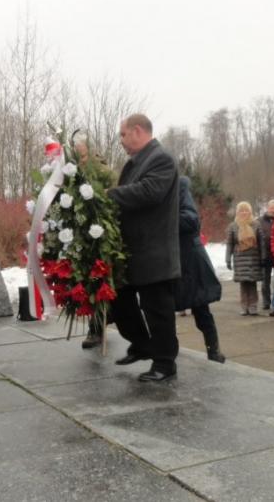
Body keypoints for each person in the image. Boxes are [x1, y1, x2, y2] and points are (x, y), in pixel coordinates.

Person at [108, 114, 181, 382]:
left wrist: (107, 195)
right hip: (134, 251)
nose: (121, 141)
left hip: (154, 251)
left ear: (137, 131)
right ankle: (141, 345)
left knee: (157, 311)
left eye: (123, 134)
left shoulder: (162, 158)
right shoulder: (136, 162)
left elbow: (150, 191)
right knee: (120, 300)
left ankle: (165, 363)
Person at [73, 133, 118, 349]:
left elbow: (117, 198)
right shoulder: (74, 173)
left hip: (103, 233)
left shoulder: (105, 172)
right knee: (86, 278)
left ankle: (97, 327)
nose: (81, 160)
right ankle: (99, 322)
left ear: (92, 152)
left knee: (100, 278)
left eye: (83, 155)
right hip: (81, 233)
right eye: (77, 156)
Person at [175, 176, 226, 363]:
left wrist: (164, 218)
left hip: (191, 261)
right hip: (172, 260)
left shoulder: (181, 191)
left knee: (200, 307)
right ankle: (169, 349)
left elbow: (190, 220)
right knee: (165, 309)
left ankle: (214, 350)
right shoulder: (161, 192)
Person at [225, 202, 266, 316]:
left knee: (252, 284)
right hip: (239, 259)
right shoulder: (233, 226)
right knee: (243, 284)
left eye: (246, 210)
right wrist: (228, 259)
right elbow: (229, 243)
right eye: (241, 211)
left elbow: (262, 242)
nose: (244, 213)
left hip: (253, 258)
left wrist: (263, 257)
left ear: (250, 212)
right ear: (238, 213)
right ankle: (244, 307)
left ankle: (253, 306)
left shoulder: (256, 224)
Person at [259, 200, 274, 310]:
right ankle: (266, 302)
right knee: (265, 281)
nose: (273, 210)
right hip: (265, 255)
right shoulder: (259, 221)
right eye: (271, 208)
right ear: (267, 208)